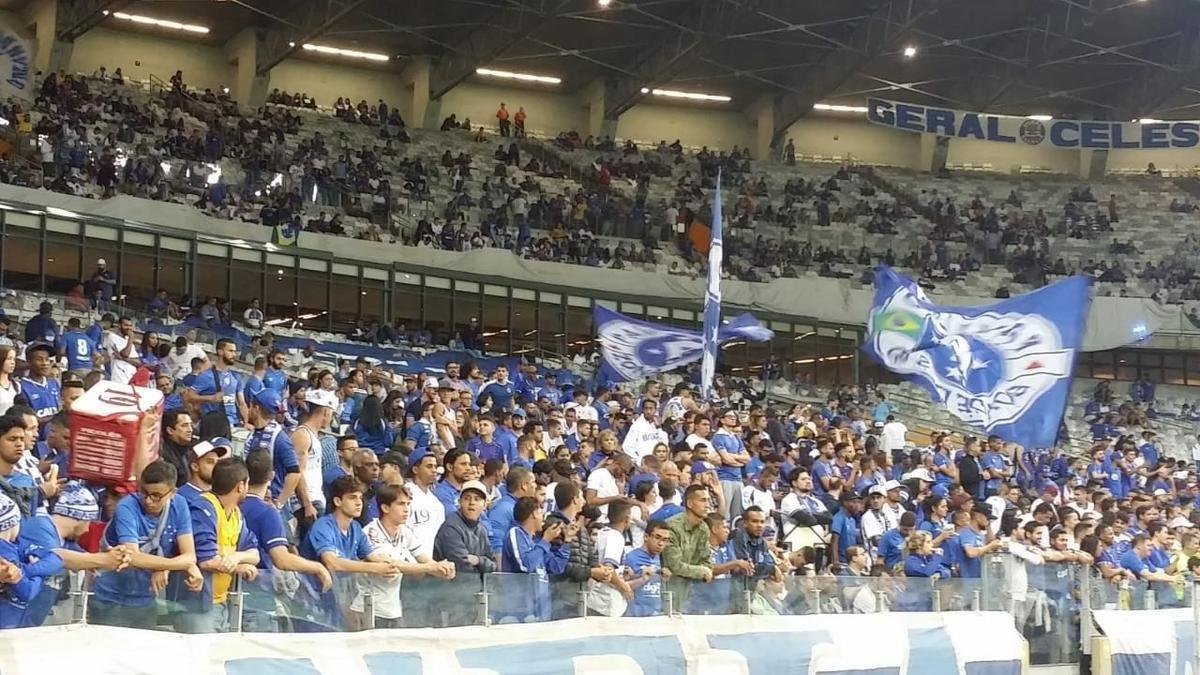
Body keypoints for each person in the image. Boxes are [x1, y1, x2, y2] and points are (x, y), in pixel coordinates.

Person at [90, 461, 203, 629]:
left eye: (156, 496)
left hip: (146, 598)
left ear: (173, 493)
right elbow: (132, 557)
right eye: (144, 492)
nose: (149, 501)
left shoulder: (180, 505)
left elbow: (190, 555)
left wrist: (165, 567)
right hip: (109, 599)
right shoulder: (127, 506)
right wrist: (170, 565)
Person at [240, 450, 332, 632]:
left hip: (231, 594)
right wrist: (318, 567)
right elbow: (282, 559)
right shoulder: (267, 512)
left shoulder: (232, 504)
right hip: (259, 599)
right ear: (272, 475)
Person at [171, 457, 260, 633]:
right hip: (195, 606)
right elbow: (206, 560)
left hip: (222, 602)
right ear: (240, 486)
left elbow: (254, 554)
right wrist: (238, 568)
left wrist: (237, 557)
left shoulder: (236, 514)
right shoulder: (203, 508)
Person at [302, 475, 402, 630]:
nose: (358, 503)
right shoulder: (323, 526)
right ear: (337, 501)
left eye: (360, 498)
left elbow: (373, 557)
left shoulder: (355, 528)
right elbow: (333, 563)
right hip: (312, 600)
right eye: (352, 498)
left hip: (339, 599)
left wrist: (388, 564)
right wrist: (376, 568)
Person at [358, 484, 456, 628]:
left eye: (408, 504)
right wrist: (430, 567)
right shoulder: (371, 532)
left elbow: (425, 559)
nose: (406, 509)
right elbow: (392, 565)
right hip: (368, 608)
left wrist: (443, 569)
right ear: (385, 508)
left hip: (393, 609)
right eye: (400, 504)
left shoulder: (404, 531)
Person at [432, 479, 496, 626]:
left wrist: (478, 561)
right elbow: (462, 565)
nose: (471, 503)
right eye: (467, 498)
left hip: (474, 598)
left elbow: (493, 565)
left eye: (477, 499)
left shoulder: (481, 529)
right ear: (459, 502)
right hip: (450, 600)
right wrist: (481, 563)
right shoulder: (451, 527)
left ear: (484, 505)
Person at [500, 495, 569, 622]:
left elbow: (556, 567)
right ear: (533, 514)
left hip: (541, 610)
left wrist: (566, 543)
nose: (543, 517)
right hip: (520, 612)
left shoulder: (536, 543)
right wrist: (545, 540)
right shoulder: (515, 533)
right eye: (540, 512)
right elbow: (525, 565)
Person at [0, 492, 62, 628]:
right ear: (12, 523)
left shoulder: (13, 546)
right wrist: (38, 573)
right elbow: (27, 591)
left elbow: (57, 558)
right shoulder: (5, 552)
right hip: (5, 625)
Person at [243, 388, 301, 508]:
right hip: (251, 496)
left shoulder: (279, 437)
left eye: (251, 406)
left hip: (270, 500)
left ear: (257, 408)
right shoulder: (254, 433)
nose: (249, 409)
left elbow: (295, 473)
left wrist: (279, 503)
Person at [663, 484, 714, 610]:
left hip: (693, 593)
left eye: (708, 500)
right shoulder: (672, 526)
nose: (708, 504)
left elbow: (706, 561)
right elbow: (674, 566)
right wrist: (701, 571)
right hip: (670, 591)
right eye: (703, 500)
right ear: (690, 504)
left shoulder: (703, 528)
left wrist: (704, 570)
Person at [622, 519, 671, 617]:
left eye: (665, 540)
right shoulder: (631, 557)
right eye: (657, 538)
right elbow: (621, 587)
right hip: (635, 618)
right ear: (646, 537)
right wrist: (642, 579)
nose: (661, 544)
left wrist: (664, 580)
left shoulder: (659, 558)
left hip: (656, 616)